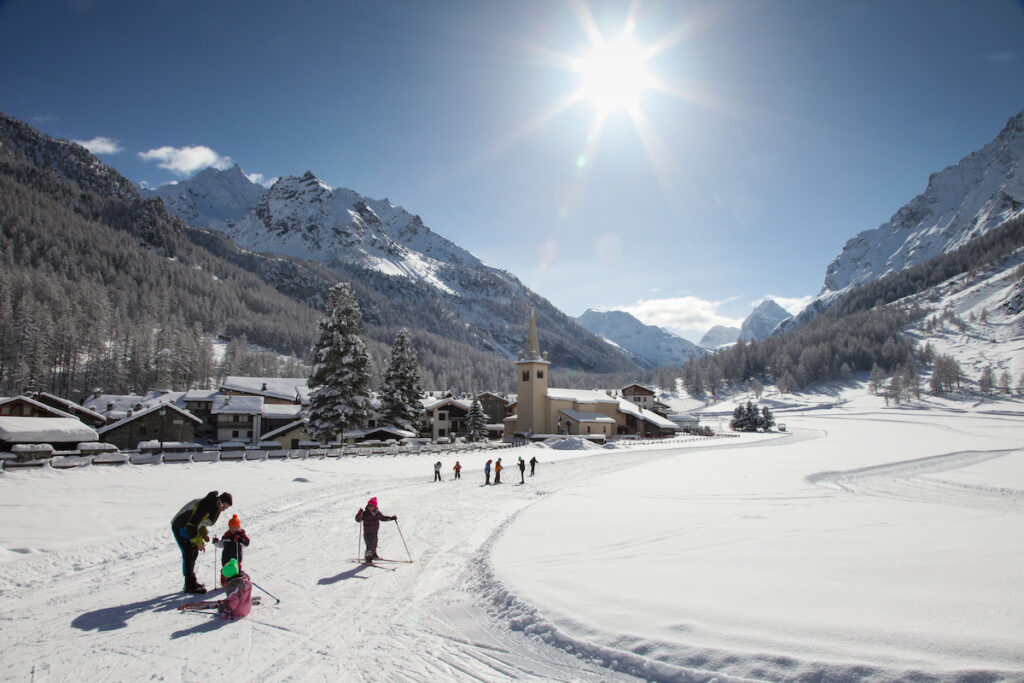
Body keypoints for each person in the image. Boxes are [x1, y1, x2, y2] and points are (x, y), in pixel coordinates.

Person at [172, 490, 232, 594]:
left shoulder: (215, 507)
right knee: (188, 552)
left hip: (189, 526)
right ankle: (189, 585)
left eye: (225, 508)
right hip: (180, 525)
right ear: (218, 501)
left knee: (193, 552)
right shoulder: (205, 505)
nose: (223, 509)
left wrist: (203, 533)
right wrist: (199, 542)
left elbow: (201, 522)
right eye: (223, 506)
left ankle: (191, 582)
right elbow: (192, 525)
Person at [355, 497, 396, 563]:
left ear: (375, 506)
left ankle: (373, 555)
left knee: (374, 544)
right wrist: (359, 515)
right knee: (370, 545)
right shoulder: (365, 513)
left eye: (371, 506)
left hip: (374, 532)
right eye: (369, 505)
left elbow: (382, 518)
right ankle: (368, 557)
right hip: (367, 533)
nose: (370, 507)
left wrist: (391, 518)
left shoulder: (377, 513)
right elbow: (358, 520)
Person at [213, 514, 250, 586]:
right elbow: (221, 544)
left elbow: (247, 543)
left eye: (236, 527)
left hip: (236, 559)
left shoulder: (241, 535)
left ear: (239, 527)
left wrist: (241, 540)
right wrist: (216, 542)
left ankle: (237, 584)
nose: (234, 529)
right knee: (225, 570)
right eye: (232, 528)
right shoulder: (227, 535)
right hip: (226, 558)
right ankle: (225, 583)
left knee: (236, 571)